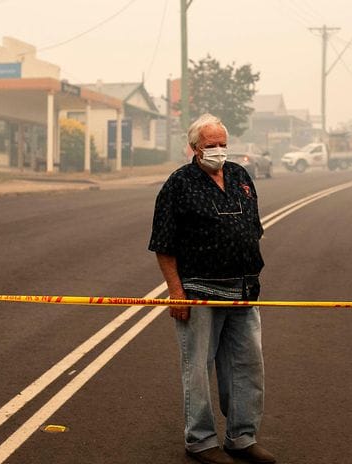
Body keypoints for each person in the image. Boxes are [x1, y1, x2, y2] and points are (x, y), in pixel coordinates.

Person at [149, 113, 276, 464]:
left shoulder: (240, 176)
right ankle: (201, 441)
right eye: (211, 146)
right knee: (198, 370)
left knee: (247, 366)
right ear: (194, 148)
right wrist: (176, 292)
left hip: (245, 290)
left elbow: (253, 224)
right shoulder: (179, 184)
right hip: (199, 290)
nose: (219, 151)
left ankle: (242, 437)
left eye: (223, 144)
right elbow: (163, 243)